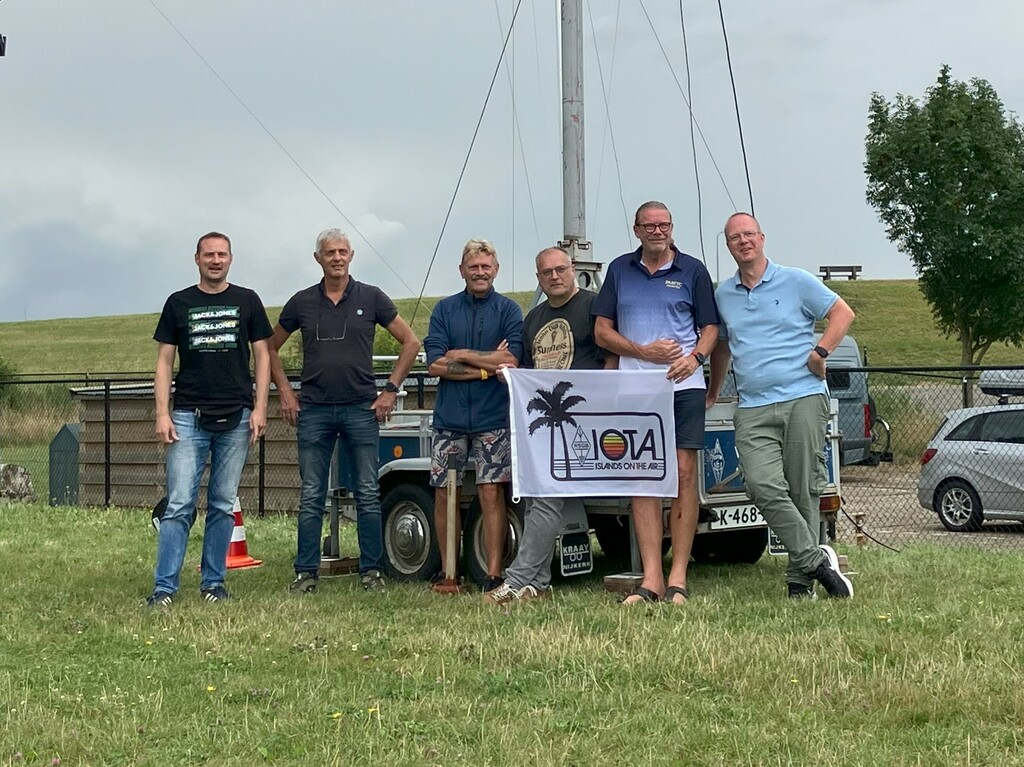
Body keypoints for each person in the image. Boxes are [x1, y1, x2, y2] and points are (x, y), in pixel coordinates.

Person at [707, 212, 855, 599]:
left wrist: (821, 352)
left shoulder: (796, 280)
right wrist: (713, 390)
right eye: (735, 237)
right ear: (728, 246)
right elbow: (721, 346)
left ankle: (799, 582)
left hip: (802, 396)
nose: (743, 241)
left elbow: (842, 313)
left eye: (749, 234)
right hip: (753, 405)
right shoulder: (723, 294)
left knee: (803, 489)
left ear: (762, 238)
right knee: (760, 485)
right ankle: (817, 561)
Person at [268, 228, 421, 594]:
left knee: (367, 492)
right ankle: (306, 573)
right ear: (318, 258)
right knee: (311, 495)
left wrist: (390, 391)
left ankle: (372, 572)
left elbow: (411, 342)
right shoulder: (302, 302)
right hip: (314, 410)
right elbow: (268, 347)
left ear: (351, 256)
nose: (336, 258)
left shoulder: (372, 297)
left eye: (342, 252)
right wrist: (285, 392)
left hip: (360, 409)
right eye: (329, 252)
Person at [592, 201, 719, 605]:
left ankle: (678, 576)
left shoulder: (693, 270)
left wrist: (695, 358)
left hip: (683, 386)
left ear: (672, 227)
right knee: (643, 477)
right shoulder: (619, 270)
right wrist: (643, 352)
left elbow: (711, 328)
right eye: (649, 226)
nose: (657, 231)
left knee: (684, 473)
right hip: (635, 388)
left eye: (663, 225)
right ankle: (652, 579)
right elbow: (601, 332)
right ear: (636, 230)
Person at [149, 231, 272, 606]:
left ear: (231, 259)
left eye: (221, 254)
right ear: (197, 259)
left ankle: (213, 585)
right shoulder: (178, 303)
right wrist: (162, 413)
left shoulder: (248, 301)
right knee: (178, 505)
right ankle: (164, 588)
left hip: (237, 416)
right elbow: (164, 361)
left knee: (222, 503)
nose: (215, 260)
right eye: (209, 255)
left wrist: (260, 407)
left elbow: (263, 356)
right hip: (188, 416)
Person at [484, 247, 611, 605]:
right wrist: (509, 375)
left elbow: (611, 360)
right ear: (538, 278)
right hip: (545, 424)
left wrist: (606, 406)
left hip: (585, 421)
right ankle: (535, 583)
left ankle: (518, 580)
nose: (554, 277)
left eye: (560, 269)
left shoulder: (594, 307)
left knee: (544, 497)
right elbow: (527, 369)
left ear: (573, 269)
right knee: (537, 497)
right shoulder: (534, 319)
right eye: (546, 272)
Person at [424, 238, 523, 591]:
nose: (480, 273)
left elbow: (511, 360)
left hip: (492, 417)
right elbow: (436, 364)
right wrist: (485, 367)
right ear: (462, 270)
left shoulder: (509, 311)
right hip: (449, 418)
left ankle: (493, 574)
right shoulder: (444, 310)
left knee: (491, 492)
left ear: (496, 270)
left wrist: (462, 353)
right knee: (444, 492)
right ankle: (448, 572)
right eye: (473, 267)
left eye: (485, 267)